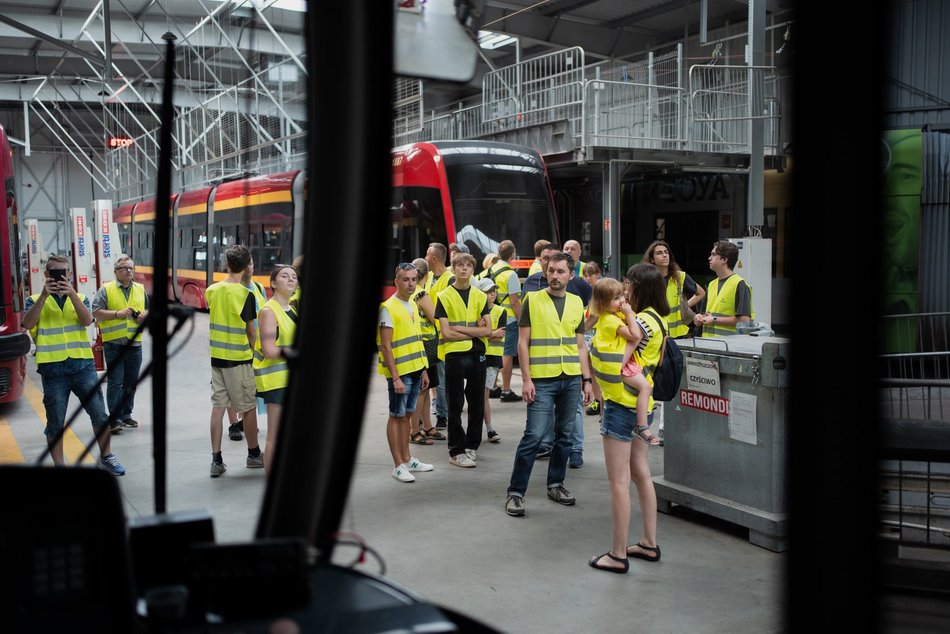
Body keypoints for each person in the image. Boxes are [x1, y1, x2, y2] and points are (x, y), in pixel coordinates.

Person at [587, 263, 666, 573]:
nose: (624, 291)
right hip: (643, 402)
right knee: (641, 474)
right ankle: (648, 542)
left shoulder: (638, 320)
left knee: (618, 481)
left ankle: (618, 554)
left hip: (622, 403)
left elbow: (619, 354)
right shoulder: (659, 318)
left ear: (637, 287)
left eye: (628, 286)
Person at [505, 252, 593, 517]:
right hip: (542, 380)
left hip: (570, 378)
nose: (555, 276)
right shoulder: (532, 299)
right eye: (551, 271)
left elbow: (580, 345)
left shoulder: (577, 302)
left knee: (565, 437)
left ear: (571, 274)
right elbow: (522, 342)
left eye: (561, 271)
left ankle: (555, 484)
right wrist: (527, 380)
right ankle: (516, 493)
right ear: (546, 272)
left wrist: (586, 380)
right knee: (533, 436)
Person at [22, 255, 125, 475]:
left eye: (64, 272)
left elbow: (87, 321)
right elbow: (27, 324)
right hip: (53, 370)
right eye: (55, 273)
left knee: (99, 414)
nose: (61, 276)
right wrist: (44, 296)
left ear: (69, 275)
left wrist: (71, 296)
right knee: (55, 422)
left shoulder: (78, 296)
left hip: (83, 366)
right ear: (47, 275)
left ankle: (107, 456)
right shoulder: (34, 299)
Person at [205, 245, 263, 477]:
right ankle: (253, 454)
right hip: (239, 360)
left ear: (227, 265)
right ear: (246, 265)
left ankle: (216, 460)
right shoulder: (245, 294)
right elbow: (251, 332)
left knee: (218, 408)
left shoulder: (212, 290)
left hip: (217, 359)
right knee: (248, 409)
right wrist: (256, 353)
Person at [377, 262, 434, 482]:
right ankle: (398, 464)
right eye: (405, 279)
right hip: (400, 374)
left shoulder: (412, 304)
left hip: (416, 370)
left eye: (413, 279)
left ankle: (408, 458)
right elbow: (386, 346)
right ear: (397, 281)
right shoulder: (388, 307)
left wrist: (424, 370)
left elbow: (417, 340)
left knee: (408, 416)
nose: (410, 283)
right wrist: (396, 377)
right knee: (396, 416)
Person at [435, 252, 491, 468]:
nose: (464, 268)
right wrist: (474, 332)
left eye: (468, 265)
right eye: (460, 265)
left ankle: (472, 446)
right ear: (454, 268)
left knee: (477, 402)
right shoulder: (444, 296)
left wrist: (459, 328)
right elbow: (446, 333)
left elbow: (488, 330)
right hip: (455, 354)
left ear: (473, 270)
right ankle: (456, 450)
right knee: (455, 404)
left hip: (477, 354)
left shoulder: (480, 296)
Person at [589, 278, 659, 445]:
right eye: (615, 298)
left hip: (623, 362)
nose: (621, 301)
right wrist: (628, 314)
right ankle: (642, 426)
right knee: (645, 387)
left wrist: (627, 311)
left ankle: (641, 425)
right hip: (619, 364)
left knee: (645, 387)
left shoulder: (612, 315)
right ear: (603, 303)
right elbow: (635, 335)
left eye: (621, 296)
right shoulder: (609, 320)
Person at [91, 255, 148, 433]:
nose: (128, 271)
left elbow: (148, 309)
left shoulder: (140, 288)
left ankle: (126, 415)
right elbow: (96, 312)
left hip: (134, 344)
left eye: (131, 268)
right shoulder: (106, 289)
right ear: (116, 272)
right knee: (116, 382)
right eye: (124, 268)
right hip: (114, 344)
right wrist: (118, 314)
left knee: (131, 382)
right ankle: (114, 419)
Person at [254, 264, 298, 476]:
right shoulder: (269, 311)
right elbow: (269, 350)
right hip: (276, 381)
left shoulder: (292, 310)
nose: (291, 279)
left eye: (294, 276)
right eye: (284, 276)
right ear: (273, 283)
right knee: (275, 435)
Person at [227, 257, 268, 442]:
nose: (249, 267)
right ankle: (233, 424)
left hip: (255, 345)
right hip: (235, 346)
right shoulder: (231, 289)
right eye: (246, 264)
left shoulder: (258, 288)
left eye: (251, 263)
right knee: (231, 387)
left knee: (247, 387)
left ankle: (245, 421)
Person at [409, 257, 445, 443]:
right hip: (428, 345)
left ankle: (428, 426)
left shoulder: (411, 292)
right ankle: (415, 430)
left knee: (427, 385)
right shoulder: (421, 294)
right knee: (423, 389)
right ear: (428, 273)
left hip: (419, 343)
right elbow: (435, 318)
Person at [485, 240, 523, 403]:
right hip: (509, 320)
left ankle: (492, 386)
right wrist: (522, 321)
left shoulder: (490, 269)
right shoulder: (511, 274)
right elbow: (515, 302)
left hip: (492, 317)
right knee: (507, 353)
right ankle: (506, 390)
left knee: (494, 351)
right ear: (512, 253)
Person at [643, 240, 705, 338]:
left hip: (678, 334)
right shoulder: (647, 279)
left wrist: (684, 305)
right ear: (652, 259)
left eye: (666, 252)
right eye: (659, 253)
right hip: (655, 333)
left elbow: (701, 293)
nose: (664, 255)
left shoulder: (680, 277)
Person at [693, 240, 753, 336]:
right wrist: (699, 318)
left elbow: (744, 320)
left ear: (724, 260)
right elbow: (706, 315)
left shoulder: (740, 284)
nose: (709, 258)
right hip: (708, 344)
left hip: (728, 347)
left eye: (713, 255)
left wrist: (714, 320)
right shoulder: (712, 284)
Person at [474, 277, 506, 443]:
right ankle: (484, 428)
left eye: (493, 290)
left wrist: (484, 332)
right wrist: (490, 333)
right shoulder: (475, 310)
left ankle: (489, 428)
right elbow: (477, 333)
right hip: (475, 355)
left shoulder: (501, 311)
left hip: (492, 357)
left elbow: (500, 336)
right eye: (487, 291)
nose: (492, 293)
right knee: (478, 394)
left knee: (484, 394)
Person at [424, 242, 452, 431]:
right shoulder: (429, 277)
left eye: (427, 255)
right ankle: (438, 411)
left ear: (433, 258)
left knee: (442, 378)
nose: (425, 258)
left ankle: (443, 415)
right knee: (433, 378)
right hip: (429, 335)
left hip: (443, 335)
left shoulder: (449, 279)